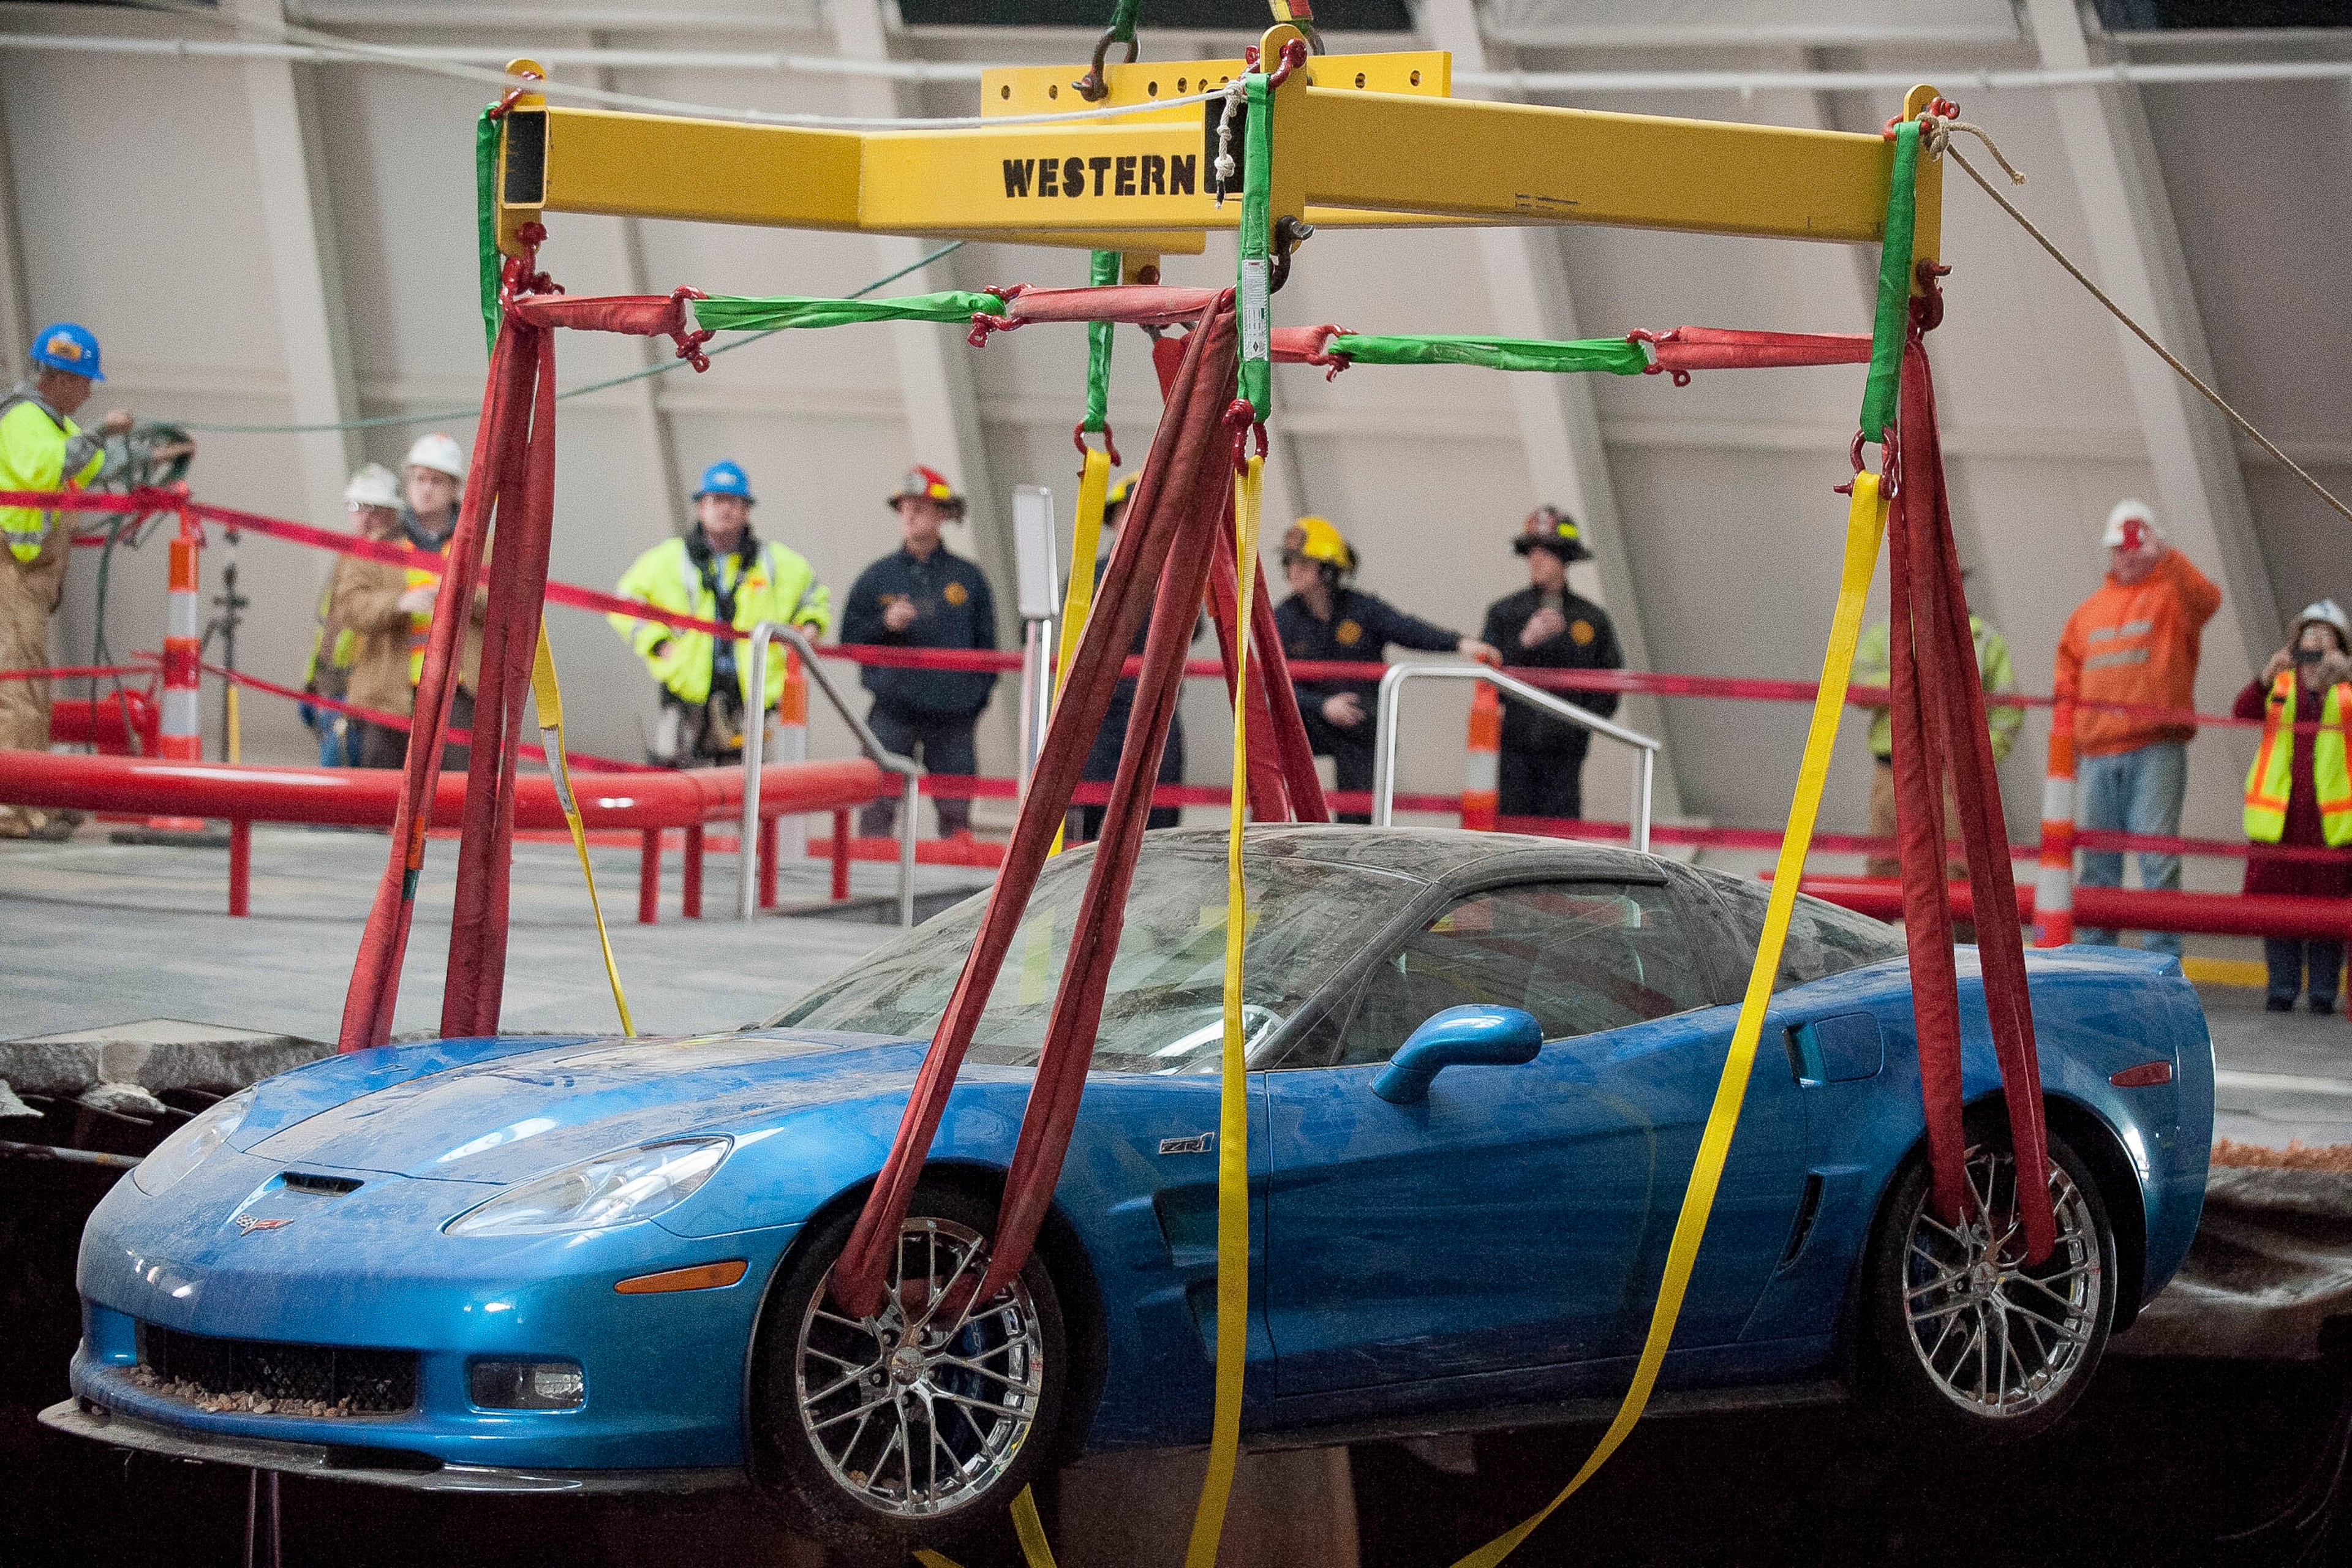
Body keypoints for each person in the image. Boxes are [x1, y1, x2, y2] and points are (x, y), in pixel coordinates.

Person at [2055, 500, 2222, 958]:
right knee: (2098, 867)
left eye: (2134, 547)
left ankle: (2162, 962)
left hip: (2155, 748)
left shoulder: (2174, 598)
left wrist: (2166, 557)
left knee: (2158, 861)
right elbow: (2066, 681)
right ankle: (2093, 960)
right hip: (2098, 753)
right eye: (2120, 548)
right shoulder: (2087, 613)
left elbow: (2208, 600)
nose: (2127, 555)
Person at [1273, 516, 1498, 823]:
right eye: (1288, 562)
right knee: (1266, 742)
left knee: (1359, 813)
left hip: (1358, 724)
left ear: (1327, 568)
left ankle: (1354, 848)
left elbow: (1407, 629)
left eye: (1302, 561)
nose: (1291, 569)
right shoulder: (1283, 618)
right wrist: (1322, 706)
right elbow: (1270, 681)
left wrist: (1460, 643)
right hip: (1309, 718)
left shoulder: (1362, 609)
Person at [610, 460, 831, 767]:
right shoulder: (668, 559)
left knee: (749, 795)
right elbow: (624, 602)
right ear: (700, 507)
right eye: (716, 500)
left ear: (746, 510)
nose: (725, 509)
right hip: (686, 698)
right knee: (674, 794)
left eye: (733, 502)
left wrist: (809, 627)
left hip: (751, 704)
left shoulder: (776, 562)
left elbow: (815, 598)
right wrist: (658, 643)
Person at [0, 324, 131, 839]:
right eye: (84, 381)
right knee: (14, 690)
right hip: (11, 571)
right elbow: (48, 468)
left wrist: (149, 455)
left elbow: (95, 464)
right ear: (59, 377)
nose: (90, 391)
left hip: (30, 578)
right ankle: (12, 810)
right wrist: (103, 433)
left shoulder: (55, 425)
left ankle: (37, 800)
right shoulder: (24, 420)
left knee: (32, 688)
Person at [842, 466, 998, 839]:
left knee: (956, 815)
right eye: (904, 508)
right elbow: (850, 641)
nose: (909, 515)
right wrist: (885, 625)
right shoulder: (876, 578)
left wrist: (970, 701)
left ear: (943, 514)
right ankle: (872, 886)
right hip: (893, 711)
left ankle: (959, 891)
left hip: (954, 718)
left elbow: (987, 652)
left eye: (921, 508)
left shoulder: (969, 579)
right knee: (876, 810)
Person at [333, 432, 484, 771]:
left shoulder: (479, 547)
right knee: (383, 799)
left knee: (454, 799)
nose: (425, 489)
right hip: (388, 696)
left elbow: (508, 603)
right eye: (418, 478)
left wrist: (459, 595)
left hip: (458, 694)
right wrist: (399, 602)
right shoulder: (378, 546)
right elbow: (348, 606)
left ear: (455, 488)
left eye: (436, 480)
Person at [1853, 582, 2021, 880]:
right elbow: (1859, 690)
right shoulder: (1887, 633)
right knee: (1885, 868)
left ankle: (1958, 930)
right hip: (1893, 771)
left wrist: (1974, 760)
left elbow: (2008, 711)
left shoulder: (1984, 641)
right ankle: (1885, 930)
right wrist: (1912, 679)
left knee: (1959, 872)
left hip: (1954, 775)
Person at [2237, 599, 2352, 1012]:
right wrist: (2266, 675)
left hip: (2331, 828)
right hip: (2280, 823)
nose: (2317, 645)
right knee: (2277, 912)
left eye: (2327, 638)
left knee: (2328, 917)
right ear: (2295, 644)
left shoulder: (2347, 691)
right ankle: (2281, 989)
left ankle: (2323, 994)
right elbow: (2243, 713)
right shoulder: (2280, 687)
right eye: (2310, 637)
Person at [1476, 507, 1624, 823]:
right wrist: (1524, 643)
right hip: (1515, 747)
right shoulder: (1505, 614)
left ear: (1566, 558)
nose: (1536, 560)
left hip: (1566, 754)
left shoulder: (1592, 620)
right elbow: (1486, 681)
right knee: (1512, 838)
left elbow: (1609, 687)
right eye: (1531, 552)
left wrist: (1577, 725)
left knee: (1562, 839)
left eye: (1546, 552)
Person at [1074, 472, 1189, 840]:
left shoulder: (1176, 573)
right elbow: (1077, 632)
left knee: (1158, 819)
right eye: (1129, 512)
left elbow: (1192, 627)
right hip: (1099, 713)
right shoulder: (1088, 575)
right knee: (1093, 819)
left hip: (1157, 706)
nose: (1140, 520)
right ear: (1113, 519)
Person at [301, 463, 404, 767]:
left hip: (366, 693)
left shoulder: (397, 562)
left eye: (374, 508)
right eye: (357, 507)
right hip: (332, 689)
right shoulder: (346, 559)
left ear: (392, 513)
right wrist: (313, 685)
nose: (365, 517)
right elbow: (327, 630)